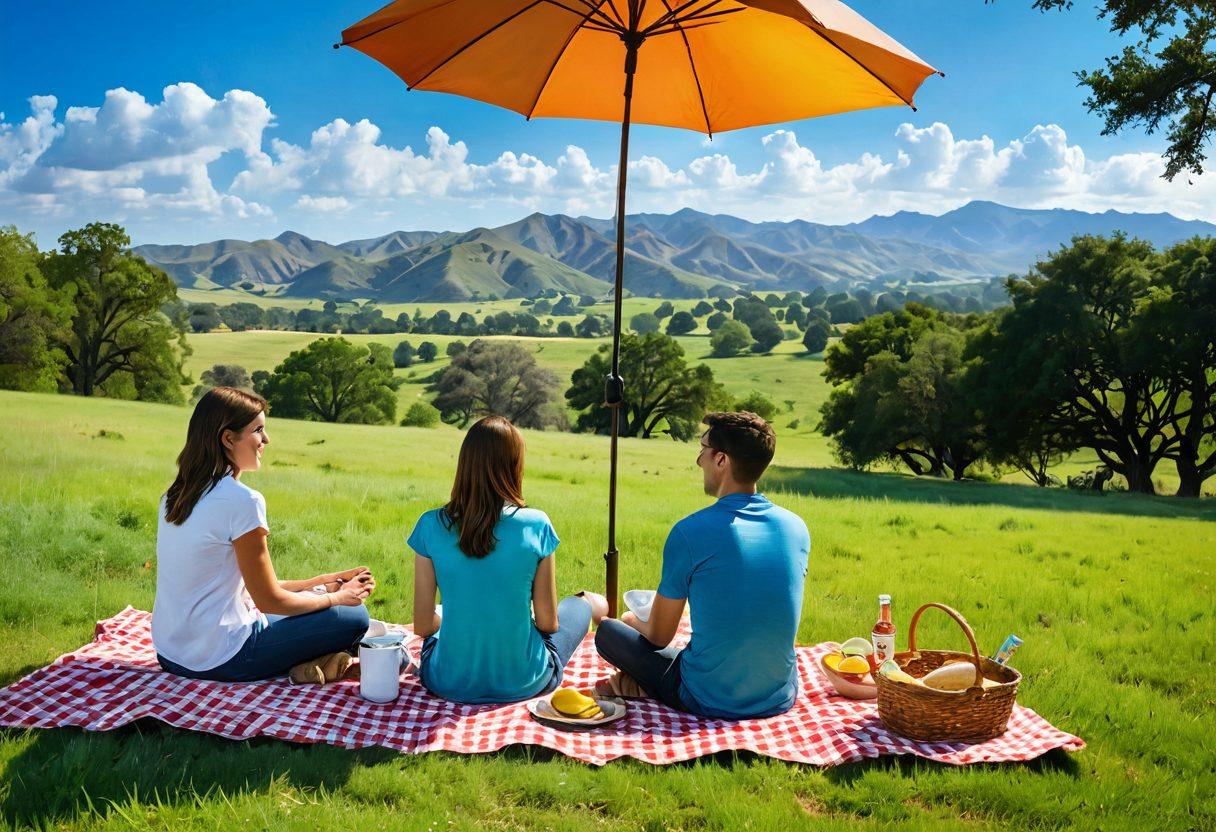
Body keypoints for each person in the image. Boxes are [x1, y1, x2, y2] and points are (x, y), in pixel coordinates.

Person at [595, 411, 810, 719]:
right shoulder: (796, 528)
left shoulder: (689, 532)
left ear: (721, 460)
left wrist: (631, 620)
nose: (699, 460)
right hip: (778, 695)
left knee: (608, 633)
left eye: (703, 449)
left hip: (707, 696)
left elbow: (659, 637)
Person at [153, 387, 375, 683]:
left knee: (320, 605)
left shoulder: (174, 496)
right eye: (258, 430)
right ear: (228, 438)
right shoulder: (243, 501)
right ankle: (317, 663)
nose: (266, 440)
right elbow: (269, 600)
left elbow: (247, 589)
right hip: (221, 658)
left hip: (171, 654)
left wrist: (322, 584)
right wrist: (338, 600)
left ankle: (317, 662)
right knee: (356, 617)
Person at [408, 415, 607, 704]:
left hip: (447, 682)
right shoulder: (536, 525)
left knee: (444, 627)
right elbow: (549, 622)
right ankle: (587, 601)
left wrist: (456, 617)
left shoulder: (430, 525)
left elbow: (423, 626)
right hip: (525, 680)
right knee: (576, 607)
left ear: (465, 464)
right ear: (514, 466)